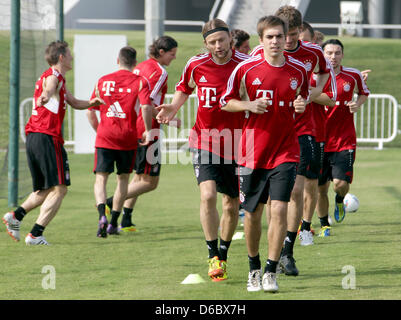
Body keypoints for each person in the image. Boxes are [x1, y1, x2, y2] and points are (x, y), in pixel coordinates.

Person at [156, 19, 250, 282]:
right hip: (204, 140)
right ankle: (212, 255)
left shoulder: (245, 64)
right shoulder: (196, 64)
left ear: (230, 38)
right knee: (208, 195)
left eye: (222, 40)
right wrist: (172, 108)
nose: (218, 46)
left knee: (231, 204)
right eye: (212, 42)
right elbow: (184, 88)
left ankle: (223, 253)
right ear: (205, 43)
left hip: (237, 143)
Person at [221, 15, 308, 292]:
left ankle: (271, 271)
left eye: (279, 36)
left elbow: (302, 98)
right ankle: (254, 268)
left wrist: (300, 105)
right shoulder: (246, 69)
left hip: (286, 151)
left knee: (280, 209)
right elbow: (226, 102)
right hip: (251, 153)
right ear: (261, 40)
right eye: (269, 37)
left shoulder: (298, 70)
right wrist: (248, 104)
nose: (275, 41)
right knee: (254, 214)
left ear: (286, 39)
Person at [2, 40, 104, 245]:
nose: (72, 57)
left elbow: (74, 103)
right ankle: (36, 234)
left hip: (35, 137)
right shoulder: (53, 77)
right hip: (46, 137)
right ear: (61, 57)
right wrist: (45, 97)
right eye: (69, 54)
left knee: (46, 189)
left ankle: (17, 216)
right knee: (61, 188)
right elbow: (48, 90)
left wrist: (93, 103)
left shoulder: (58, 79)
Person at [103, 36, 180, 232]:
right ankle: (110, 202)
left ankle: (126, 219)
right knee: (150, 182)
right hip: (147, 129)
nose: (174, 58)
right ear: (161, 52)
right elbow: (149, 103)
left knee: (138, 176)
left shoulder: (141, 67)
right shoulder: (159, 72)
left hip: (131, 127)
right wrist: (170, 120)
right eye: (172, 54)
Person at [86, 46, 153, 238]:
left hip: (105, 136)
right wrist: (148, 130)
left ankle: (102, 215)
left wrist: (100, 131)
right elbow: (147, 107)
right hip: (128, 136)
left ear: (118, 60)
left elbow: (90, 110)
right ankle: (114, 221)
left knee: (101, 178)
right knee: (123, 179)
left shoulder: (103, 80)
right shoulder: (140, 81)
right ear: (135, 63)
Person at [317, 39, 369, 234]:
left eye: (337, 52)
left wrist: (358, 104)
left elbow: (364, 92)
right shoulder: (314, 78)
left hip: (344, 139)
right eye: (329, 53)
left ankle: (340, 199)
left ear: (342, 55)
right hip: (319, 139)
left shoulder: (353, 75)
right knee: (320, 189)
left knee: (340, 184)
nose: (333, 56)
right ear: (322, 55)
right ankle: (324, 225)